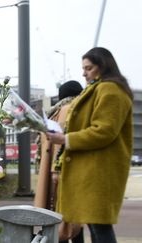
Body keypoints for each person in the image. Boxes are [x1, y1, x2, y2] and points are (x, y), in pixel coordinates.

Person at [47, 47, 133, 243]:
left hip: (98, 171)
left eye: (89, 68)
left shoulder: (110, 90)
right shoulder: (102, 88)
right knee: (95, 226)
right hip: (94, 170)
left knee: (99, 228)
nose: (83, 73)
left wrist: (65, 139)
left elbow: (104, 131)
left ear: (102, 66)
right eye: (83, 68)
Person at [34, 80, 84, 242]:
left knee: (55, 219)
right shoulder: (72, 110)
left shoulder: (52, 114)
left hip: (51, 174)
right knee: (74, 222)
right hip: (66, 172)